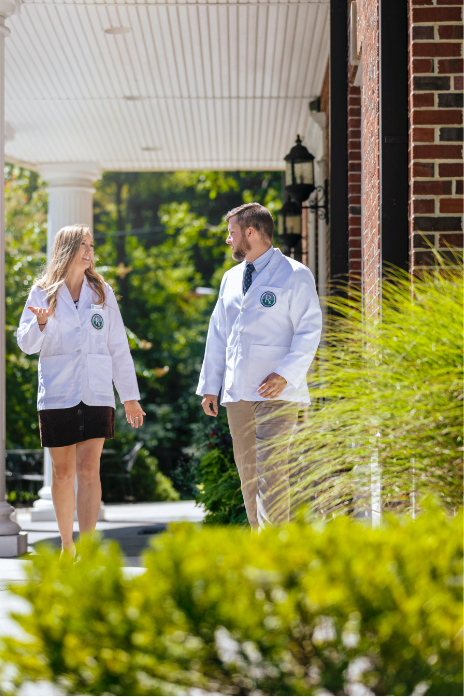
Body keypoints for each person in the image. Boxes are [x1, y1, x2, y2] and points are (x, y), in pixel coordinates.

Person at [17, 224, 145, 557]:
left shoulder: (102, 291)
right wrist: (41, 323)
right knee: (62, 473)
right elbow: (26, 344)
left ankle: (87, 549)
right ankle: (67, 545)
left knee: (89, 469)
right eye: (82, 245)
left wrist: (129, 398)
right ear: (67, 249)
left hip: (97, 392)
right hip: (58, 394)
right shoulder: (41, 291)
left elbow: (118, 347)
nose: (89, 251)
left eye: (91, 245)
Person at [197, 202, 322, 529]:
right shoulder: (230, 278)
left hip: (277, 391)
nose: (228, 239)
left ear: (250, 232)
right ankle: (261, 550)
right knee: (249, 474)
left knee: (272, 471)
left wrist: (285, 374)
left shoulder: (295, 274)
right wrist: (211, 385)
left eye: (232, 232)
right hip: (238, 392)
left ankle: (276, 552)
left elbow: (310, 328)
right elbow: (218, 332)